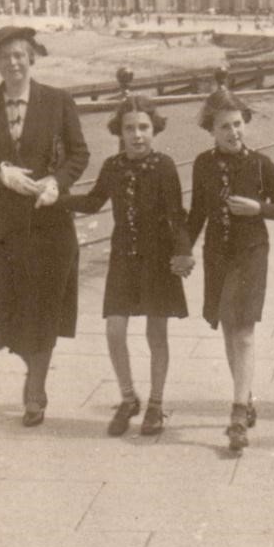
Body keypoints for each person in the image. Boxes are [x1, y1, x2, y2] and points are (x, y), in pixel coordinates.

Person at [0, 26, 90, 427]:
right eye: (5, 58)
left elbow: (79, 154)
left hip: (50, 224)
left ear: (32, 57)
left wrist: (57, 183)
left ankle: (35, 389)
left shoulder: (58, 101)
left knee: (45, 308)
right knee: (12, 311)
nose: (13, 63)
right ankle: (32, 370)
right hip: (2, 229)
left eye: (20, 55)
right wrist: (0, 174)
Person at [60, 97, 195, 437]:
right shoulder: (112, 166)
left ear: (155, 129)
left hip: (158, 261)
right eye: (130, 128)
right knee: (114, 330)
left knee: (156, 333)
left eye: (144, 128)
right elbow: (93, 202)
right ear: (119, 132)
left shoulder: (164, 166)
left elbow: (176, 216)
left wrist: (182, 252)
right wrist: (57, 200)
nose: (137, 135)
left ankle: (156, 404)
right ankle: (128, 397)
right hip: (123, 259)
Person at [188, 89, 274, 452]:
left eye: (237, 124)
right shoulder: (202, 164)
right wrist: (182, 250)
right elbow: (196, 215)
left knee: (243, 331)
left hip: (251, 252)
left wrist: (258, 208)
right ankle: (245, 398)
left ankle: (236, 413)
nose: (234, 132)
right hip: (217, 253)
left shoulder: (261, 165)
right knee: (230, 329)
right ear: (211, 130)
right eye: (224, 127)